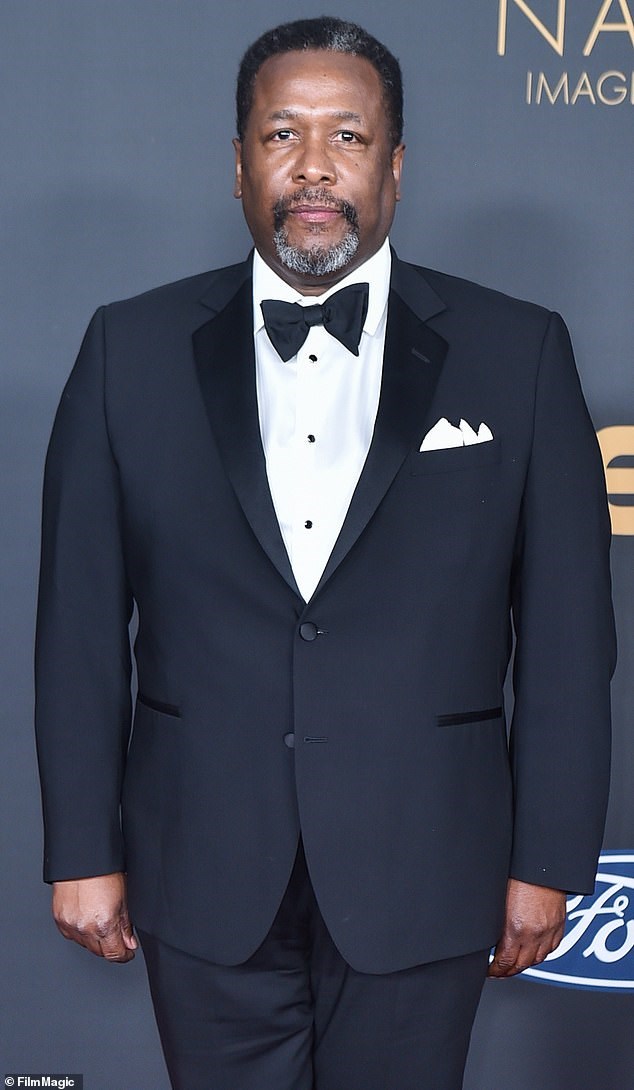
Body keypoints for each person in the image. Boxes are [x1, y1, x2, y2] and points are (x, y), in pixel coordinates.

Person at [35, 15, 615, 1090]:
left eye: (347, 136)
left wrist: (547, 860)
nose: (312, 166)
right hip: (200, 862)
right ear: (238, 163)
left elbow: (569, 638)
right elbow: (76, 628)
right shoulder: (128, 349)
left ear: (393, 166)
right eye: (281, 135)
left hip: (429, 864)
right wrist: (81, 847)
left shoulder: (518, 351)